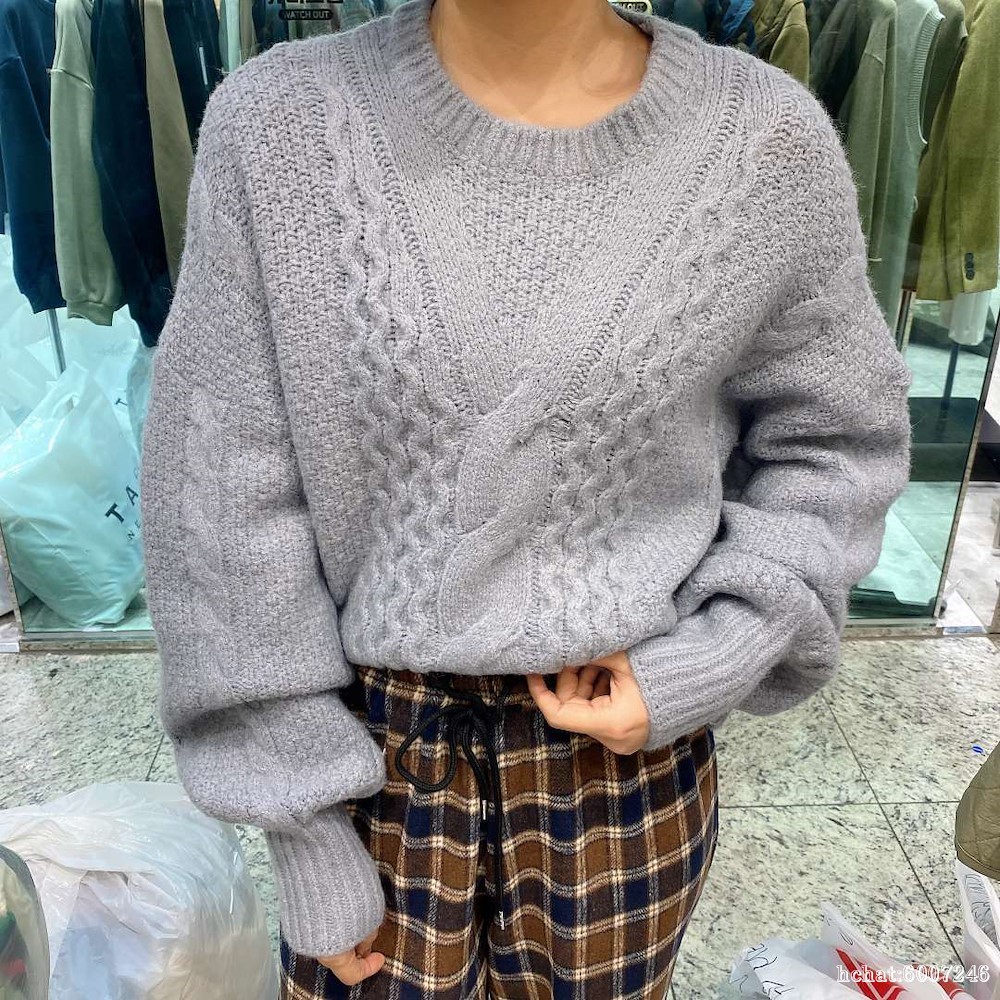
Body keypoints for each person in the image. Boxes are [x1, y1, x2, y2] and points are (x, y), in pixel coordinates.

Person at [138, 0, 913, 995]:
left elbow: (835, 443)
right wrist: (300, 819)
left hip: (625, 770)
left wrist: (721, 646)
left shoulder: (764, 141)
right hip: (370, 772)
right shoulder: (278, 125)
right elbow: (221, 499)